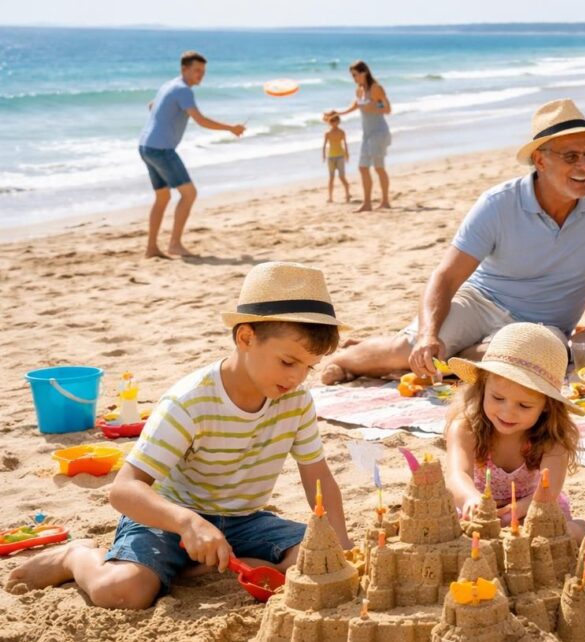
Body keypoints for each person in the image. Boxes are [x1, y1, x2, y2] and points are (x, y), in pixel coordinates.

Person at [4, 262, 352, 608]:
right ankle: (75, 557)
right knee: (123, 591)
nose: (297, 378)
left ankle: (194, 567)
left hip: (244, 522)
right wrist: (187, 523)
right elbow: (124, 490)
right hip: (167, 519)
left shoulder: (296, 401)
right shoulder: (190, 400)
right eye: (288, 362)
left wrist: (342, 545)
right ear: (246, 337)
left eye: (309, 367)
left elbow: (318, 476)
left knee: (316, 559)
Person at [321, 99, 585, 384]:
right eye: (571, 157)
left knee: (536, 358)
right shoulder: (498, 204)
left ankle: (457, 356)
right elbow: (446, 276)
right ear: (540, 160)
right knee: (412, 351)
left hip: (542, 330)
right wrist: (427, 335)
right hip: (480, 303)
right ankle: (349, 358)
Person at [444, 323, 585, 539]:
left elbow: (549, 492)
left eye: (524, 406)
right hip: (476, 507)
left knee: (556, 532)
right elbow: (457, 475)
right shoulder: (466, 427)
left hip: (531, 506)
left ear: (547, 406)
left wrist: (519, 509)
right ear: (483, 388)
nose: (507, 412)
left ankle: (581, 529)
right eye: (498, 398)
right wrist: (471, 499)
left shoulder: (553, 440)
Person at [138, 51, 245, 259]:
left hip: (145, 146)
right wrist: (231, 128)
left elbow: (151, 105)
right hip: (161, 149)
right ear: (184, 69)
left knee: (163, 196)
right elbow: (201, 120)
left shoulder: (169, 85)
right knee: (189, 194)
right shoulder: (183, 90)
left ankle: (151, 248)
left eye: (203, 71)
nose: (200, 75)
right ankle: (175, 244)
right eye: (196, 70)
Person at [329, 60, 392, 212]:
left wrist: (374, 107)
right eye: (352, 75)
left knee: (379, 168)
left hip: (379, 132)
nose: (354, 78)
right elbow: (355, 106)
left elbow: (387, 108)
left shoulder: (375, 88)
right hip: (367, 134)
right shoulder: (359, 90)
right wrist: (338, 113)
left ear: (364, 73)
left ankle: (385, 201)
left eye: (355, 75)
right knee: (363, 168)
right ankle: (367, 204)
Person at [322, 112, 351, 203]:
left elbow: (345, 144)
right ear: (329, 122)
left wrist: (347, 154)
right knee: (331, 177)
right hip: (330, 157)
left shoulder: (342, 132)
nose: (333, 123)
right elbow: (324, 145)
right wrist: (323, 155)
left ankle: (347, 194)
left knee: (342, 176)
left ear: (338, 121)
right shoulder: (327, 133)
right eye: (331, 121)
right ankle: (330, 197)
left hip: (340, 156)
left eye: (335, 121)